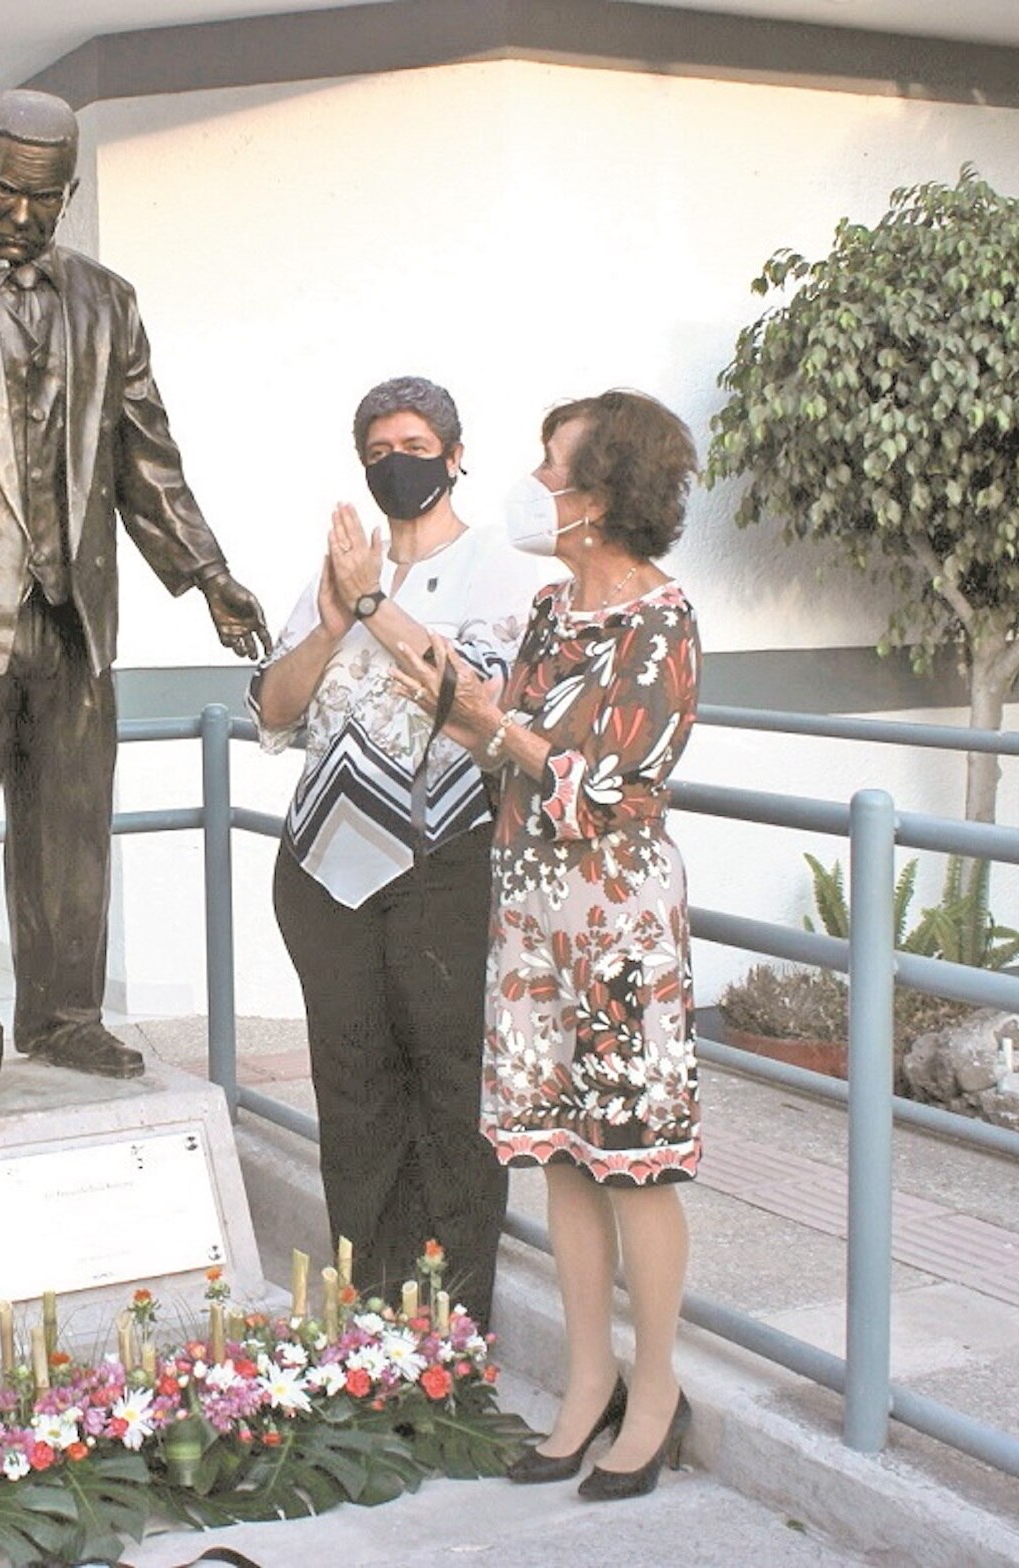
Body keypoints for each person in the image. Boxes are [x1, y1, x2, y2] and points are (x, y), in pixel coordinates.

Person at [0, 88, 270, 1125]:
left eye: (45, 200)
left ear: (67, 192)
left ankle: (64, 1013)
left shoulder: (107, 302)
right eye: (6, 195)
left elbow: (144, 458)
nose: (23, 217)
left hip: (70, 613)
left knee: (70, 831)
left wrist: (207, 572)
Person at [394, 389, 701, 1501]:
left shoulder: (664, 622)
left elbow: (616, 792)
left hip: (617, 923)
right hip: (528, 910)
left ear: (603, 493)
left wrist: (493, 727)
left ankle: (656, 1390)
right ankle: (587, 1381)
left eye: (553, 465)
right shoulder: (549, 611)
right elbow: (500, 747)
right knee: (563, 1154)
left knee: (637, 1161)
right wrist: (428, 674)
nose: (536, 481)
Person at [250, 377, 546, 1323]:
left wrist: (372, 599)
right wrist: (333, 621)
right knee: (354, 1094)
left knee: (452, 1092)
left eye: (414, 444)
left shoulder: (507, 571)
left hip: (444, 863)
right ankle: (369, 1317)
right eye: (376, 452)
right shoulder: (336, 579)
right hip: (323, 872)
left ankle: (452, 1323)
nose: (396, 464)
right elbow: (273, 709)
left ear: (456, 456)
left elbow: (474, 700)